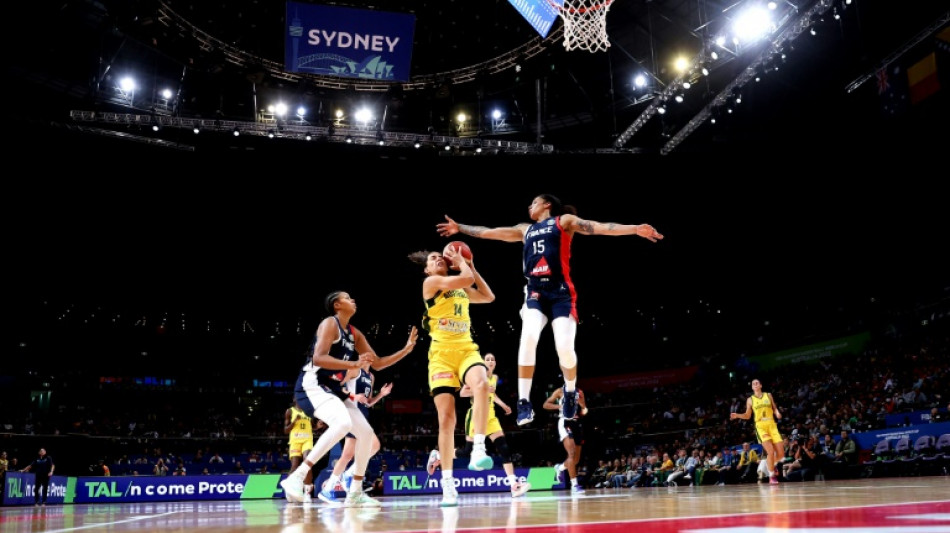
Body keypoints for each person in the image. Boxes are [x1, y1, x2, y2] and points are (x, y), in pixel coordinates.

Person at [437, 194, 663, 426]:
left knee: (564, 348)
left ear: (547, 204)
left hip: (561, 293)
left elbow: (598, 227)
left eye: (534, 202)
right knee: (528, 337)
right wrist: (459, 227)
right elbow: (489, 232)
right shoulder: (524, 229)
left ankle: (570, 391)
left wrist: (635, 229)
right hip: (535, 292)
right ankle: (524, 401)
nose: (529, 206)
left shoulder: (563, 221)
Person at [279, 290, 419, 508]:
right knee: (343, 423)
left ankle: (355, 491)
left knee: (366, 435)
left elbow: (377, 363)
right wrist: (353, 364)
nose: (352, 300)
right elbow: (319, 358)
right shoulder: (330, 323)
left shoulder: (355, 333)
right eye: (347, 298)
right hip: (312, 384)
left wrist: (405, 350)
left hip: (334, 390)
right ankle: (297, 476)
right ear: (337, 305)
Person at [408, 245, 497, 507]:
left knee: (482, 384)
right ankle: (448, 484)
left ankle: (478, 448)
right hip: (441, 356)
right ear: (427, 269)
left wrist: (471, 265)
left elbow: (488, 296)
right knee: (447, 420)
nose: (437, 259)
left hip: (466, 349)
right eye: (432, 259)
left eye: (440, 257)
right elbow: (466, 278)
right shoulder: (431, 283)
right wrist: (463, 262)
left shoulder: (461, 289)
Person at [455, 353, 530, 498]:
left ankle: (514, 485)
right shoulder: (476, 375)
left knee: (504, 448)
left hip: (491, 416)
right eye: (487, 359)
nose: (490, 361)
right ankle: (439, 455)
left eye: (492, 359)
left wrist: (503, 405)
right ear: (483, 362)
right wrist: (481, 389)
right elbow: (463, 393)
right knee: (466, 452)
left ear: (495, 363)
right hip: (476, 415)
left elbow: (492, 395)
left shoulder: (494, 377)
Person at [319, 369, 393, 503]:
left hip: (363, 414)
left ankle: (329, 488)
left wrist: (381, 394)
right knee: (374, 445)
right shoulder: (354, 370)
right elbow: (338, 388)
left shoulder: (371, 376)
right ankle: (345, 477)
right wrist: (354, 396)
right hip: (352, 412)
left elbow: (368, 402)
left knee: (347, 455)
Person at [731, 378, 785, 484]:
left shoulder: (768, 395)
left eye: (757, 383)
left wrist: (777, 413)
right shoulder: (750, 400)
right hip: (760, 426)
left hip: (772, 424)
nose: (755, 384)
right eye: (753, 384)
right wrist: (737, 415)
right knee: (770, 451)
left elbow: (774, 408)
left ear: (760, 385)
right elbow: (747, 416)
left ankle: (772, 464)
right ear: (752, 387)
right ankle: (771, 476)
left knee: (781, 454)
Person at [543, 385, 588, 494]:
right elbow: (545, 405)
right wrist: (560, 406)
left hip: (577, 424)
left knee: (576, 460)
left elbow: (584, 410)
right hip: (565, 422)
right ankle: (574, 485)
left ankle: (560, 467)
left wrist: (582, 405)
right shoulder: (559, 391)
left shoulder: (579, 392)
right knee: (571, 454)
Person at [284, 399, 316, 502]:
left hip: (307, 440)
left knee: (308, 463)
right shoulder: (290, 411)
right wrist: (294, 422)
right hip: (295, 441)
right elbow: (285, 430)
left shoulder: (309, 411)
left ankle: (307, 493)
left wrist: (318, 426)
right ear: (294, 399)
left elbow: (312, 426)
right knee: (294, 466)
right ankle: (289, 490)